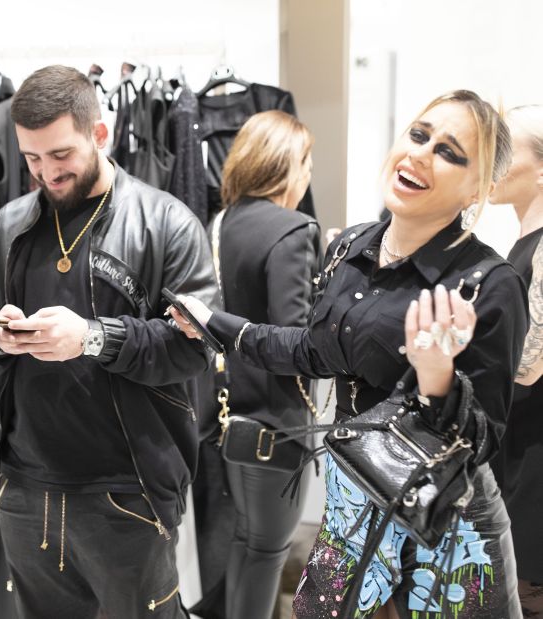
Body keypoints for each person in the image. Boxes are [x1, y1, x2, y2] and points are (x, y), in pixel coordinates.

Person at [171, 90, 525, 618]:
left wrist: (436, 378)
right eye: (419, 135)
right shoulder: (351, 248)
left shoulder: (488, 283)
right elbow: (313, 352)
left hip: (444, 527)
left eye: (449, 152)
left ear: (479, 188)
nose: (421, 154)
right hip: (352, 505)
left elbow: (483, 439)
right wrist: (216, 324)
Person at [0, 64, 218, 619]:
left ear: (100, 134)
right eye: (31, 158)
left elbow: (194, 344)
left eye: (60, 155)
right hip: (25, 489)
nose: (47, 173)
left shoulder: (167, 222)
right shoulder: (5, 228)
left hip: (129, 494)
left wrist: (93, 338)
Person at [192, 110, 320, 619]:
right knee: (266, 550)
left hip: (231, 416)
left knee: (247, 542)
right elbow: (294, 341)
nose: (308, 174)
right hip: (277, 420)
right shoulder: (294, 230)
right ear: (287, 165)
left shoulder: (219, 223)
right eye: (306, 163)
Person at [489, 104, 543, 617]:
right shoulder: (525, 243)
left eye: (506, 151)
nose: (494, 162)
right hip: (519, 452)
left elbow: (528, 365)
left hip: (533, 466)